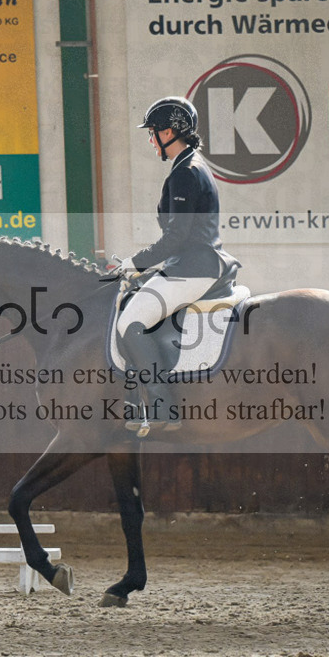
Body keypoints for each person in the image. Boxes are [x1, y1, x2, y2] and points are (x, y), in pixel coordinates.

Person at [116, 96, 239, 434]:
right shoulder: (191, 164)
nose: (151, 139)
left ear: (169, 131)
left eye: (153, 132)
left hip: (193, 266)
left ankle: (161, 407)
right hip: (191, 262)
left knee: (130, 322)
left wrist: (135, 262)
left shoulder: (186, 172)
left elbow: (176, 237)